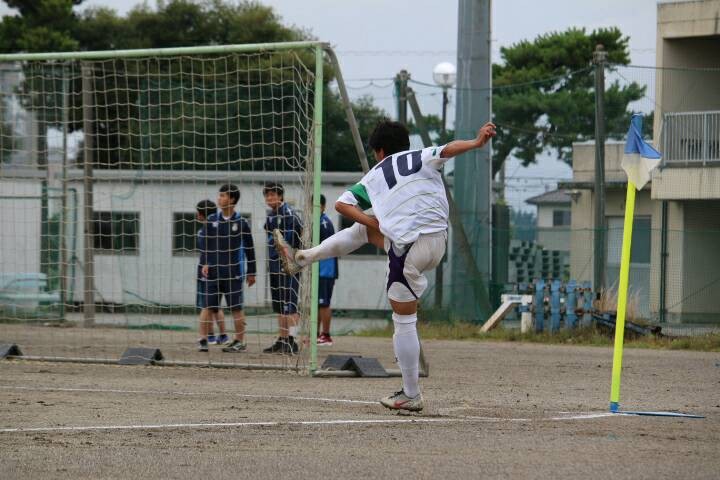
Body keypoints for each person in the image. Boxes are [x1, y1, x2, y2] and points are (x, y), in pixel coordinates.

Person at [274, 119, 496, 411]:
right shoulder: (421, 156)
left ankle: (410, 394)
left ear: (379, 151)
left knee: (404, 320)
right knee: (361, 232)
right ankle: (303, 257)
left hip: (408, 251)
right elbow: (449, 149)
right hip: (437, 241)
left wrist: (374, 221)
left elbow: (342, 204)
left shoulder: (375, 174)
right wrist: (477, 142)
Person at [201, 184, 256, 353]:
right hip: (214, 272)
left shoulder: (241, 223)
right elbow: (206, 245)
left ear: (232, 199)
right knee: (207, 306)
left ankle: (239, 341)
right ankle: (203, 339)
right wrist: (205, 262)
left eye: (223, 195)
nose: (219, 198)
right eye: (219, 195)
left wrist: (252, 272)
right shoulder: (211, 220)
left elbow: (250, 249)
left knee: (236, 308)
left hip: (234, 273)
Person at [263, 182, 303, 355]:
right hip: (274, 264)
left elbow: (292, 242)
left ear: (280, 196)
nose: (269, 198)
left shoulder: (289, 215)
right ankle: (282, 339)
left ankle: (292, 340)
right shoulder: (271, 216)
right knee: (279, 305)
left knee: (290, 303)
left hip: (288, 265)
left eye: (273, 194)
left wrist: (288, 262)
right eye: (267, 195)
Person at [195, 199, 228, 352]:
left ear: (202, 214)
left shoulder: (204, 230)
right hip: (220, 269)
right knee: (216, 306)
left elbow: (206, 250)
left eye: (198, 212)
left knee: (206, 305)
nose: (196, 215)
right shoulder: (220, 227)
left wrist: (206, 264)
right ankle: (223, 335)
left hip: (206, 271)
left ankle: (210, 336)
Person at [317, 194, 338, 346]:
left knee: (324, 303)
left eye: (317, 206)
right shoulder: (317, 221)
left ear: (323, 207)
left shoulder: (324, 223)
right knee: (318, 303)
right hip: (318, 269)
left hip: (325, 269)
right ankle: (316, 334)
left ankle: (326, 335)